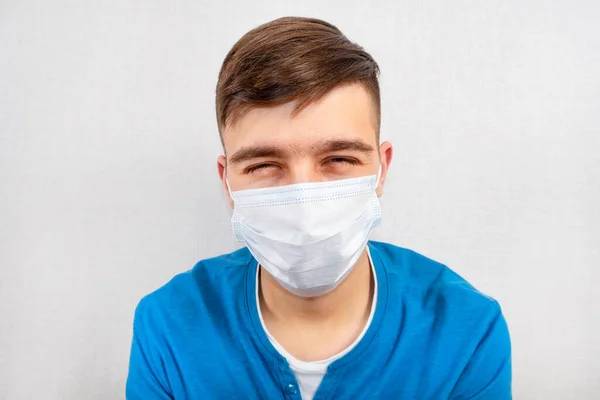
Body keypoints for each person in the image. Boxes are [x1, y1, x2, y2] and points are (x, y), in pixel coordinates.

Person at [126, 16, 511, 400]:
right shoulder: (168, 326)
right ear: (227, 182)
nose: (304, 201)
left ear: (381, 169)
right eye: (263, 165)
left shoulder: (467, 330)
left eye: (338, 159)